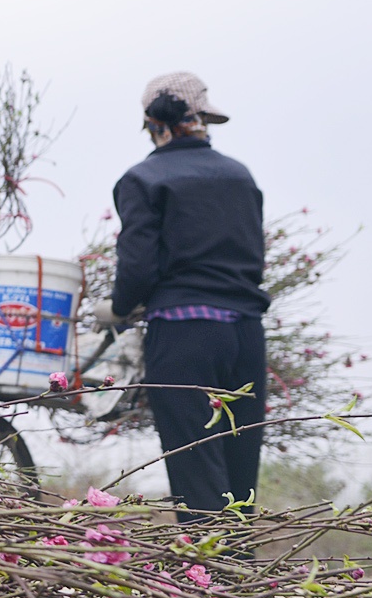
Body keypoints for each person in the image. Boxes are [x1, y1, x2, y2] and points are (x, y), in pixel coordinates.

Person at [97, 72, 269, 522]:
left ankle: (208, 587)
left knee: (198, 477)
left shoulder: (143, 179)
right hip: (247, 337)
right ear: (201, 120)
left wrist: (115, 307)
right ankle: (240, 584)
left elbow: (137, 269)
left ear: (155, 123)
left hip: (185, 338)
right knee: (239, 481)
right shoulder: (239, 176)